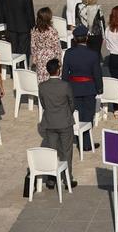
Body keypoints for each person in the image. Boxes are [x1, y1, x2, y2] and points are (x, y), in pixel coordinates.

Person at [38, 59, 78, 188]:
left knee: (52, 151)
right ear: (58, 70)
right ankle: (67, 179)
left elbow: (43, 104)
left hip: (50, 122)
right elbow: (72, 103)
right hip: (65, 122)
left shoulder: (42, 86)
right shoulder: (65, 85)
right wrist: (66, 113)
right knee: (67, 151)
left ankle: (51, 179)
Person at [62, 25, 101, 150]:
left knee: (77, 115)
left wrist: (66, 88)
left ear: (74, 38)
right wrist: (99, 88)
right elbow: (97, 73)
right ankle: (86, 143)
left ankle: (81, 140)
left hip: (74, 88)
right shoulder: (93, 54)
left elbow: (64, 74)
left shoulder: (68, 53)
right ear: (87, 38)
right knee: (88, 115)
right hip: (89, 88)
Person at [30, 7, 63, 83]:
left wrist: (35, 58)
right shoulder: (52, 31)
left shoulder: (35, 30)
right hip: (51, 59)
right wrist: (59, 61)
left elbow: (33, 46)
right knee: (52, 80)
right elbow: (57, 48)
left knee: (41, 80)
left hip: (40, 58)